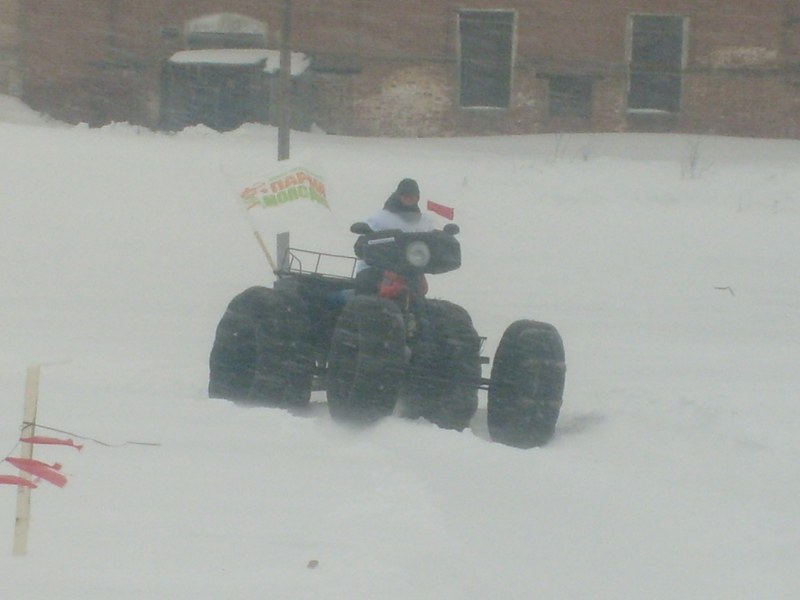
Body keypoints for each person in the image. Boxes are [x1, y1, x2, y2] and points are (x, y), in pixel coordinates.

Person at [355, 178, 435, 296]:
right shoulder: (381, 219)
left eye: (412, 196)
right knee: (369, 294)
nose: (408, 199)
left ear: (418, 198)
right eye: (405, 195)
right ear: (399, 195)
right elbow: (361, 245)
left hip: (410, 272)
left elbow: (432, 244)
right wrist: (365, 245)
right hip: (377, 271)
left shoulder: (424, 222)